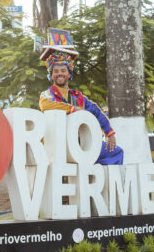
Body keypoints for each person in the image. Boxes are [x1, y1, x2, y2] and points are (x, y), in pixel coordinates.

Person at [37, 30, 124, 165]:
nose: (60, 74)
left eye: (63, 70)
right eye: (56, 71)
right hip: (57, 144)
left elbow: (97, 112)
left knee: (116, 152)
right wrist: (73, 109)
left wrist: (110, 134)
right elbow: (46, 104)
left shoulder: (78, 97)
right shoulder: (48, 94)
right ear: (51, 75)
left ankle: (93, 177)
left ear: (69, 74)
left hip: (79, 143)